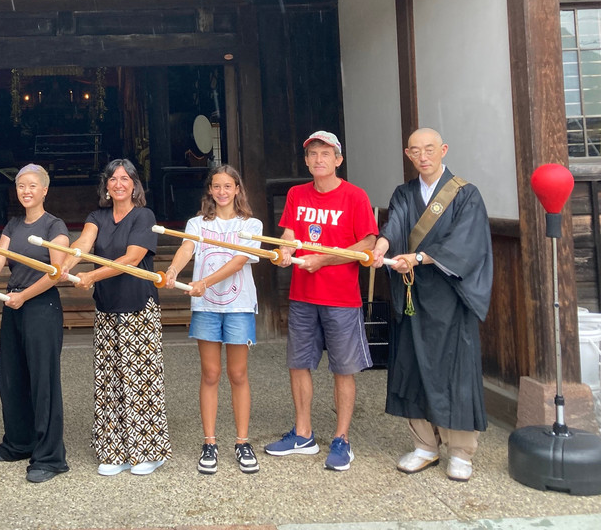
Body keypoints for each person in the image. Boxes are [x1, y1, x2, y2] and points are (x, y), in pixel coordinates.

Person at [371, 127, 493, 483]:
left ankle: (461, 451)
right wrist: (381, 246)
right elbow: (394, 224)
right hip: (412, 294)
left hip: (449, 297)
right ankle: (425, 445)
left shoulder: (465, 194)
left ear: (443, 150)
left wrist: (421, 257)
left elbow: (466, 243)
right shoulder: (404, 193)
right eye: (415, 151)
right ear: (408, 155)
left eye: (429, 149)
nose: (422, 156)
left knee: (454, 370)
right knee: (413, 365)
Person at [265, 130, 377, 472]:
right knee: (298, 363)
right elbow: (290, 235)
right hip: (302, 295)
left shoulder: (355, 196)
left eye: (325, 153)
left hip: (341, 297)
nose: (318, 159)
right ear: (306, 160)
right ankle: (303, 434)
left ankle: (342, 438)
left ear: (338, 159)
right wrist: (284, 252)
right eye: (313, 154)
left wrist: (323, 260)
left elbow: (368, 244)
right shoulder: (297, 194)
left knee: (343, 368)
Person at [66, 158, 170, 476]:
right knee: (109, 380)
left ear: (135, 185)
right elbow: (83, 244)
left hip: (138, 309)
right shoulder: (97, 216)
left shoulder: (144, 216)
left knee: (141, 381)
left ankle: (148, 452)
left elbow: (132, 258)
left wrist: (91, 276)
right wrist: (65, 264)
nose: (119, 184)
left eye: (125, 178)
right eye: (113, 179)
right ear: (106, 186)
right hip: (108, 309)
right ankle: (114, 451)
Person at [165, 164, 262, 475]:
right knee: (209, 373)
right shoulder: (197, 223)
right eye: (216, 186)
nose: (222, 192)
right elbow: (187, 247)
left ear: (237, 189)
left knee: (238, 373)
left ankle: (242, 442)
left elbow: (239, 261)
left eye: (228, 186)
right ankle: (209, 442)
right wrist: (173, 270)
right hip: (206, 307)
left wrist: (204, 282)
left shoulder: (251, 225)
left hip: (239, 306)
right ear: (210, 190)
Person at [0, 164, 70, 483]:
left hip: (41, 305)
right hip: (13, 303)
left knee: (43, 381)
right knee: (12, 376)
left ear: (44, 190)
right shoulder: (14, 224)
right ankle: (20, 442)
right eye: (21, 186)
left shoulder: (55, 225)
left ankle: (49, 457)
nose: (26, 191)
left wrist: (24, 296)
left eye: (32, 185)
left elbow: (56, 272)